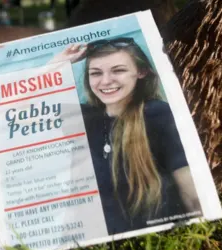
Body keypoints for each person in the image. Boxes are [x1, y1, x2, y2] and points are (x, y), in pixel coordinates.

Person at [49, 38, 202, 235]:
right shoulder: (85, 117)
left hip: (154, 238)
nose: (105, 81)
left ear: (141, 72)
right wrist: (55, 64)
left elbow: (189, 187)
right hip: (97, 242)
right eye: (96, 73)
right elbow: (10, 113)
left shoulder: (157, 114)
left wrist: (201, 235)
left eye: (118, 70)